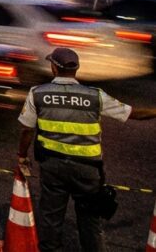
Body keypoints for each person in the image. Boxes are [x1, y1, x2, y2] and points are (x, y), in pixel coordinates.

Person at [16, 47, 156, 251]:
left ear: (54, 68)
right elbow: (134, 113)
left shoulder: (38, 93)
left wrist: (21, 155)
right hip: (88, 169)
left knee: (51, 217)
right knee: (90, 220)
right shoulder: (95, 96)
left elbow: (26, 130)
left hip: (53, 167)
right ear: (76, 69)